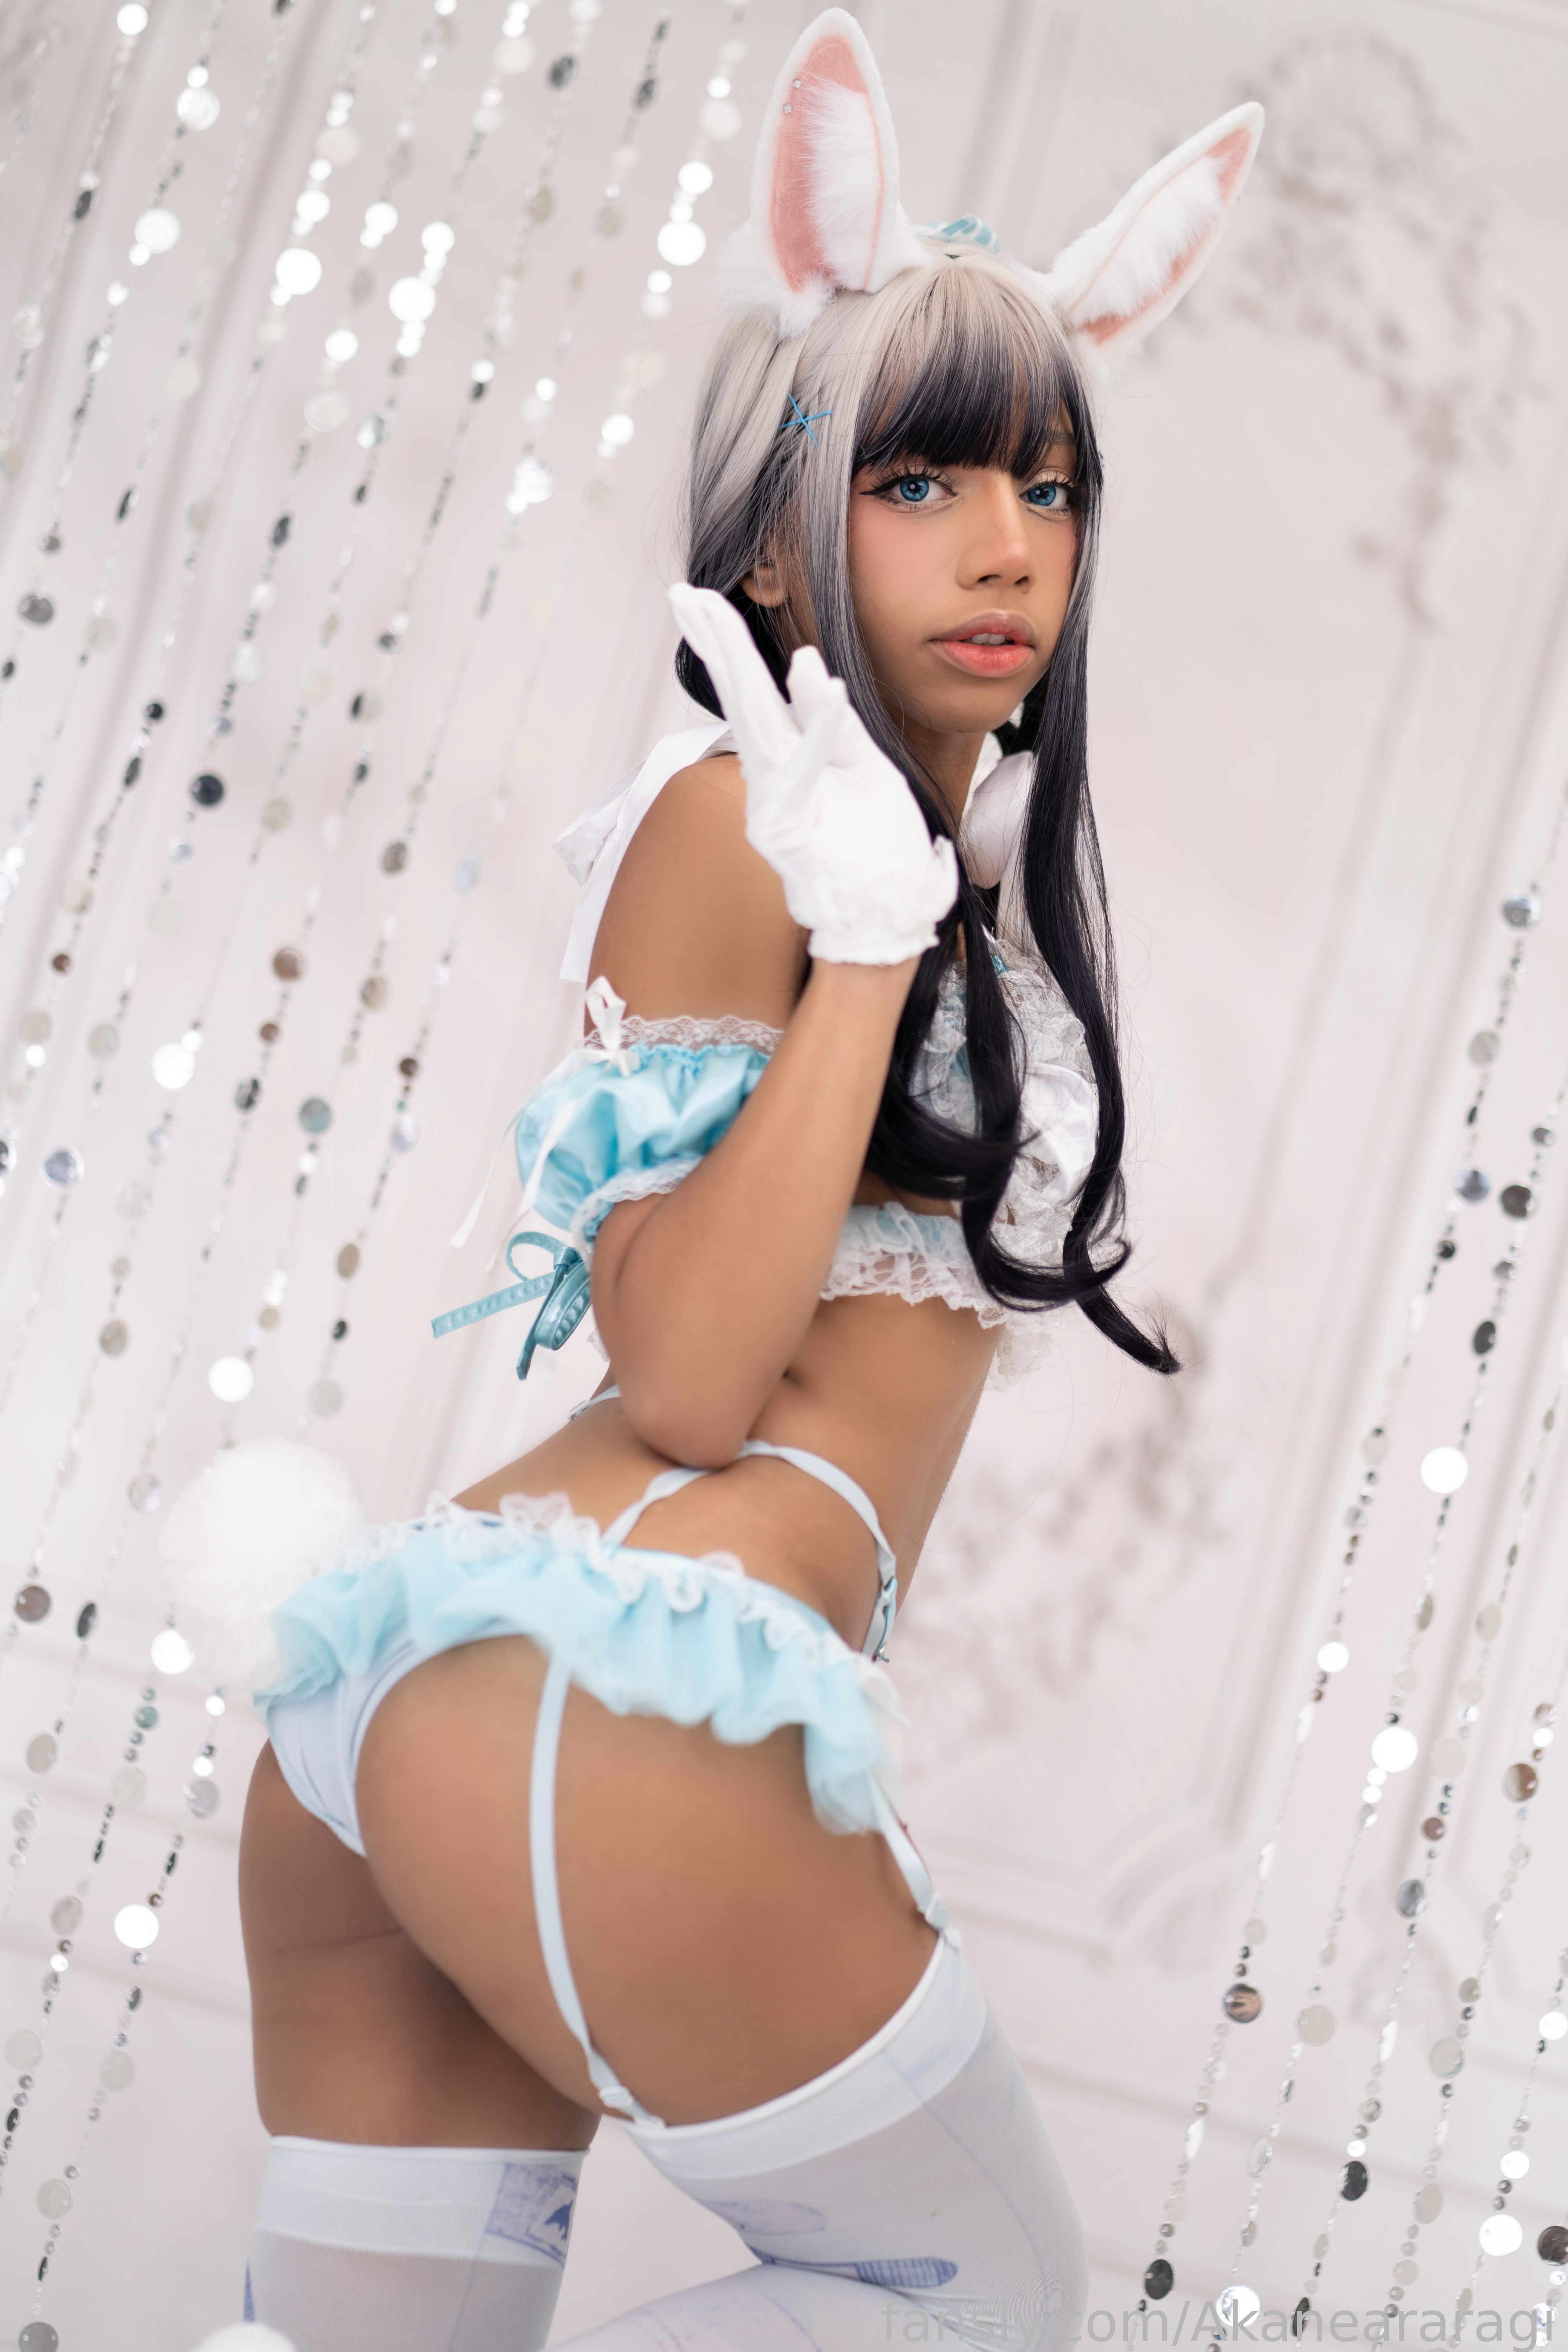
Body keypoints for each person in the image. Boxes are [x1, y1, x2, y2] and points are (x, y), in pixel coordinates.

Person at [163, 16, 1262, 2347]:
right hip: (619, 1700)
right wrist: (863, 950)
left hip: (434, 1719)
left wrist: (898, 921)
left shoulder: (906, 858)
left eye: (1051, 486)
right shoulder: (747, 824)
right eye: (923, 479)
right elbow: (679, 1376)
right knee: (976, 2297)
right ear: (779, 527)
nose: (1007, 543)